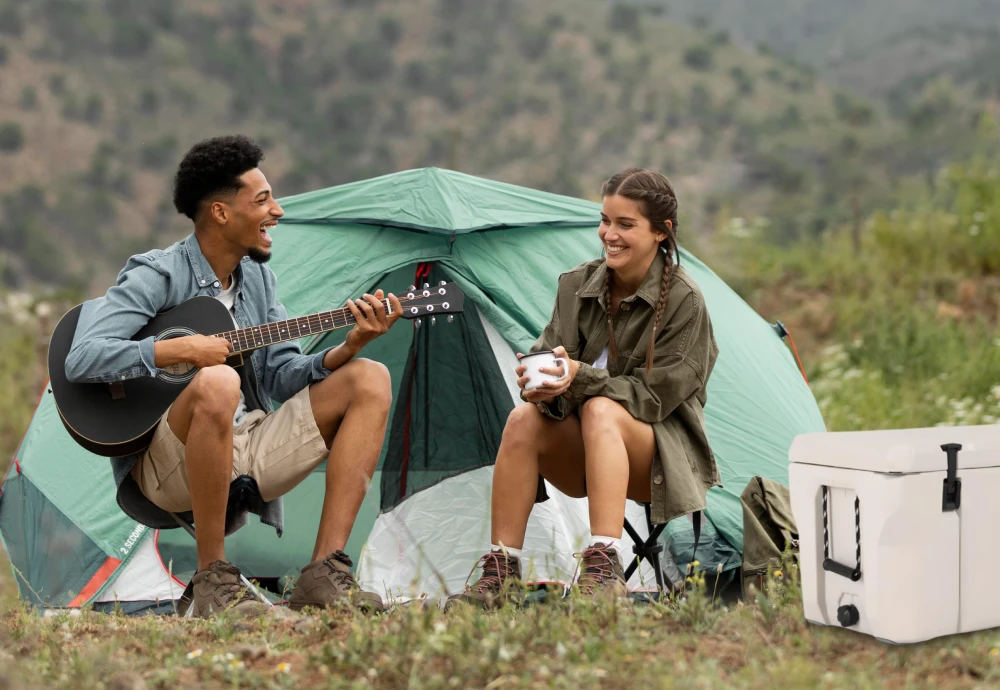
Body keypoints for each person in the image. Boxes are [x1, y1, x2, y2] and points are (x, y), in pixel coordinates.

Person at [65, 135, 402, 617]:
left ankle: (324, 573)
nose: (278, 211)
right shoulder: (157, 274)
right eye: (263, 199)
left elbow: (284, 377)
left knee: (370, 377)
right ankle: (212, 579)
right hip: (166, 464)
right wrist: (180, 349)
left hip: (244, 447)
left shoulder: (259, 280)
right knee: (219, 381)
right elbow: (83, 357)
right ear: (221, 213)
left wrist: (349, 346)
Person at [449, 168, 720, 608]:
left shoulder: (685, 302)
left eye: (625, 225)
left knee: (601, 409)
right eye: (605, 220)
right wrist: (540, 385)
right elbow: (547, 355)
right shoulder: (576, 285)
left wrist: (580, 378)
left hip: (658, 461)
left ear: (661, 232)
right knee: (522, 420)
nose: (609, 234)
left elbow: (654, 400)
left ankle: (604, 566)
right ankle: (500, 572)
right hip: (585, 451)